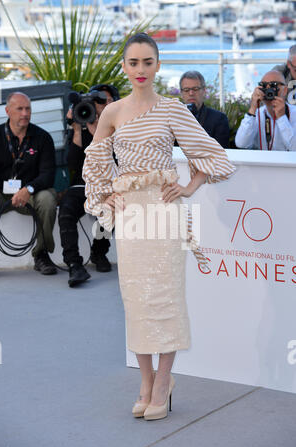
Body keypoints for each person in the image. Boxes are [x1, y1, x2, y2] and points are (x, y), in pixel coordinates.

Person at [83, 33, 235, 420]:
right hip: (132, 217)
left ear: (158, 65)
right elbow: (95, 164)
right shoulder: (112, 112)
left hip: (164, 214)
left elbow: (211, 154)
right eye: (133, 63)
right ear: (124, 65)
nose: (140, 70)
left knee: (165, 299)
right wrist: (106, 198)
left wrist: (188, 186)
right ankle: (146, 382)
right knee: (136, 301)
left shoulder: (172, 110)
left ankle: (164, 382)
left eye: (147, 62)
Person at [58, 84, 119, 288]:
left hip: (106, 186)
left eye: (108, 101)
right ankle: (74, 264)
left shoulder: (118, 129)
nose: (103, 105)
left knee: (109, 208)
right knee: (66, 212)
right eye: (100, 101)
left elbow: (114, 163)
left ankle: (99, 252)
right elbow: (73, 165)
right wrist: (77, 130)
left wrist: (97, 133)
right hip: (80, 186)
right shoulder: (81, 124)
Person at [0, 92, 57, 275]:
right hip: (0, 192)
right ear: (8, 111)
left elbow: (48, 175)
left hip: (29, 194)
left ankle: (41, 255)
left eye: (28, 109)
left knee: (47, 199)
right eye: (19, 109)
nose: (25, 113)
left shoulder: (43, 137)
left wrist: (28, 189)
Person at [235, 70, 296, 151]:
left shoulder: (294, 113)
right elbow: (241, 144)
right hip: (262, 163)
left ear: (284, 90)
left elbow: (294, 148)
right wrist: (252, 109)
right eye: (263, 86)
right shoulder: (256, 114)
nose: (268, 90)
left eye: (273, 85)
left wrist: (281, 118)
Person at [179, 70, 230, 148]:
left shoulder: (219, 119)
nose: (191, 93)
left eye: (195, 89)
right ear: (181, 93)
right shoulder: (172, 118)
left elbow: (221, 152)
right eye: (186, 90)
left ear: (204, 91)